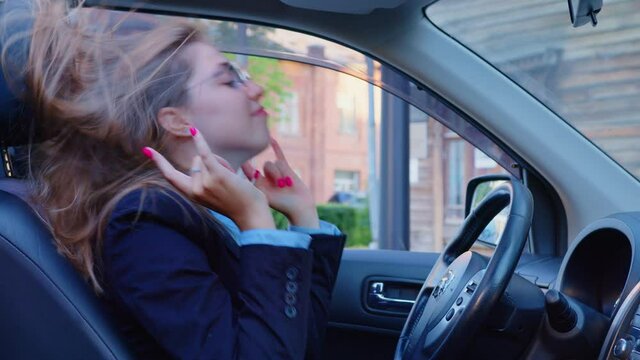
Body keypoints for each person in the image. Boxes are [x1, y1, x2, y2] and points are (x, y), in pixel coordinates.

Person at [1, 1, 346, 359]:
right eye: (229, 80)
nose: (256, 89)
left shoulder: (199, 208)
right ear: (176, 120)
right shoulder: (141, 225)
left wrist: (303, 218)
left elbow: (298, 344)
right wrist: (258, 223)